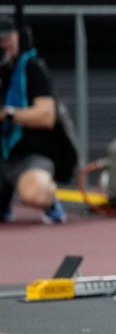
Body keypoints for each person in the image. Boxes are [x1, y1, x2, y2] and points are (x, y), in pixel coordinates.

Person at [0, 16, 68, 224]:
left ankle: (50, 200)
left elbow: (46, 116)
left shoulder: (32, 68)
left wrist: (9, 114)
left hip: (29, 153)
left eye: (7, 38)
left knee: (34, 192)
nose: (3, 44)